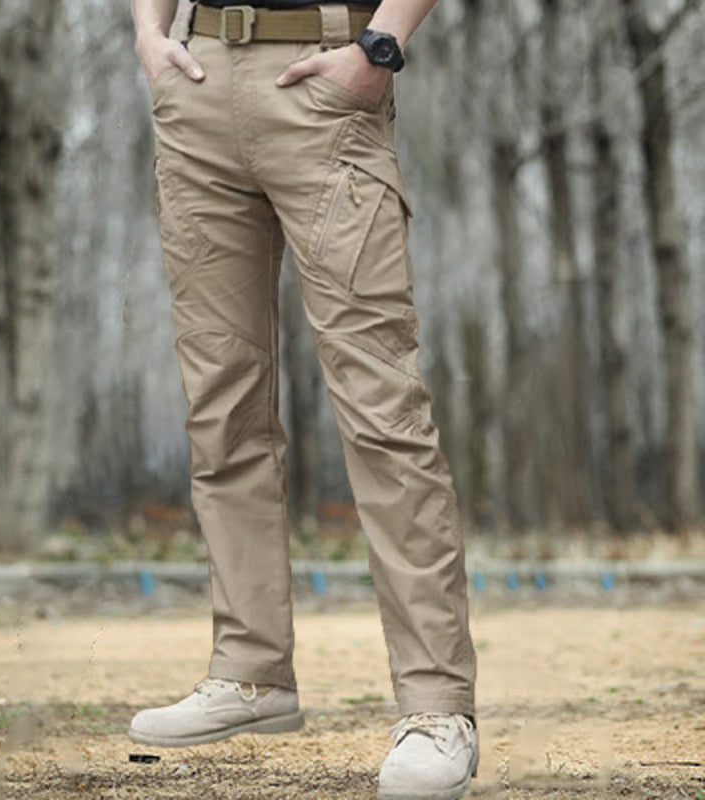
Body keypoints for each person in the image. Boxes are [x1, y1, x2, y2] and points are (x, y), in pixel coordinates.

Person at [127, 0, 478, 797]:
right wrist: (149, 32)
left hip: (325, 79)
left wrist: (381, 45)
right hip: (197, 79)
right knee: (221, 404)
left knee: (382, 410)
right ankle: (250, 672)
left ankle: (436, 708)